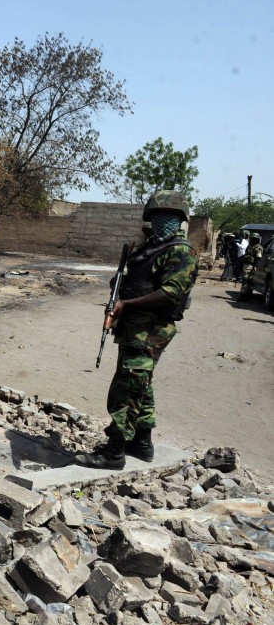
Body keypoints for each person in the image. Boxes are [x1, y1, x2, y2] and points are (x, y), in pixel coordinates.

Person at [75, 190, 198, 469]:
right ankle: (141, 444)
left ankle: (114, 452)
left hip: (151, 331)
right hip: (133, 329)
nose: (162, 221)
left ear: (180, 220)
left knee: (127, 389)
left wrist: (127, 302)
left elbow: (171, 293)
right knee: (141, 385)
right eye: (157, 216)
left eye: (169, 217)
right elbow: (136, 281)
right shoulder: (148, 248)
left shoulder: (182, 252)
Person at [238, 232, 264, 300]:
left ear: (257, 240)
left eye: (254, 239)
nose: (252, 240)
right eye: (251, 239)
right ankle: (245, 295)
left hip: (250, 266)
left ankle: (243, 296)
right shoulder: (251, 246)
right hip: (246, 265)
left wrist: (255, 267)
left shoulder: (258, 247)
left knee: (246, 281)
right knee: (245, 280)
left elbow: (258, 258)